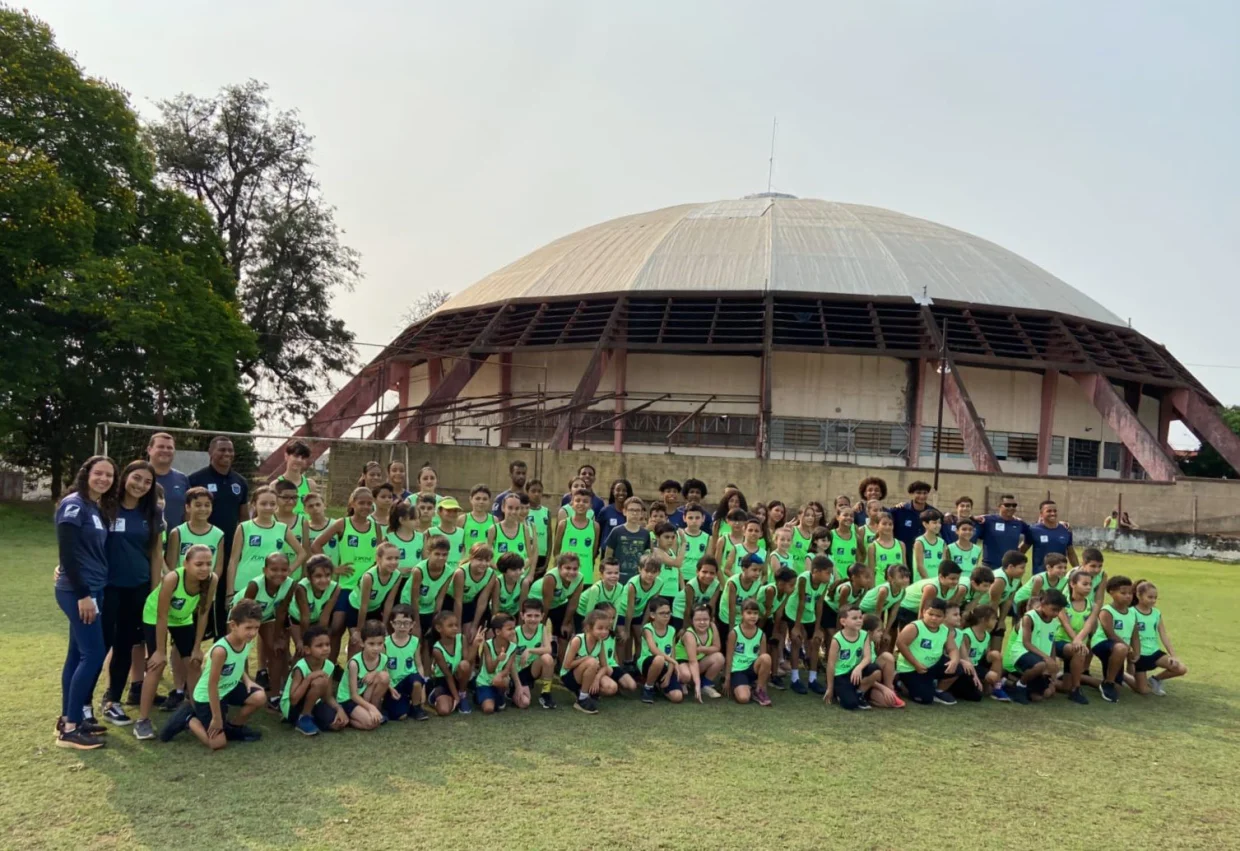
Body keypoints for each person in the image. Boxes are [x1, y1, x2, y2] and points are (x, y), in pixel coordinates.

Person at [54, 455, 118, 750]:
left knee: (77, 654)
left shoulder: (94, 506)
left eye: (109, 475)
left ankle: (70, 718)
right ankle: (70, 729)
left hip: (94, 588)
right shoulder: (74, 504)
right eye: (98, 473)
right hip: (80, 591)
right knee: (93, 654)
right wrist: (83, 594)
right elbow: (66, 552)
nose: (104, 479)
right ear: (86, 474)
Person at [100, 460, 163, 727]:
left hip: (138, 588)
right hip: (107, 587)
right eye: (137, 478)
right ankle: (81, 705)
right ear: (125, 477)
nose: (140, 485)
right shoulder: (105, 507)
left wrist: (155, 591)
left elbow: (156, 554)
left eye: (147, 482)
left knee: (125, 644)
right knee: (99, 646)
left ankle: (112, 700)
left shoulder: (153, 512)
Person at [133, 544, 217, 740]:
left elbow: (203, 613)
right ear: (186, 564)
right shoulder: (173, 578)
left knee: (194, 663)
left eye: (208, 563)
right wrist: (159, 651)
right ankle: (142, 721)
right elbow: (162, 615)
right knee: (156, 664)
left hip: (182, 618)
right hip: (155, 616)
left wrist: (197, 647)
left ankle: (198, 711)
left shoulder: (211, 579)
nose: (204, 568)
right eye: (199, 564)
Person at [161, 598, 266, 749]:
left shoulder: (246, 640)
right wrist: (216, 718)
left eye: (256, 628)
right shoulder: (220, 651)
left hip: (228, 688)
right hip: (208, 696)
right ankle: (188, 718)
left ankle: (233, 727)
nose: (253, 633)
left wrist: (247, 680)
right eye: (248, 628)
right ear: (233, 625)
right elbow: (212, 684)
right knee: (217, 744)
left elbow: (238, 661)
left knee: (260, 697)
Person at [188, 436, 249, 632]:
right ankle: (194, 631)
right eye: (222, 450)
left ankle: (221, 634)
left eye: (230, 450)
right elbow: (187, 514)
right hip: (203, 547)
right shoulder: (196, 479)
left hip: (230, 548)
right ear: (210, 452)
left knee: (223, 591)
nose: (227, 454)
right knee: (199, 589)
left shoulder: (240, 482)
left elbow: (244, 519)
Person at [241, 552, 294, 709]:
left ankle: (275, 695)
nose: (279, 573)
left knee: (277, 650)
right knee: (238, 651)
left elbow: (281, 611)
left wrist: (277, 638)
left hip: (266, 616)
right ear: (265, 570)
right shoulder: (255, 585)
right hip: (242, 618)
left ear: (289, 570)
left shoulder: (290, 584)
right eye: (274, 569)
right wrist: (249, 632)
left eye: (283, 570)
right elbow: (244, 611)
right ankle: (238, 686)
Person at [281, 624, 348, 736]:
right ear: (307, 650)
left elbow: (328, 696)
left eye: (327, 644)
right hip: (292, 707)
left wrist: (339, 709)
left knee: (336, 724)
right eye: (319, 646)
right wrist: (309, 677)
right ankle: (304, 718)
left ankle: (310, 718)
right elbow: (293, 699)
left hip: (313, 703)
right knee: (320, 681)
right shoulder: (301, 666)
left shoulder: (330, 666)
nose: (325, 648)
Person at [1003, 589, 1067, 704]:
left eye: (1059, 610)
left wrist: (1053, 662)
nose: (1056, 614)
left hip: (1039, 659)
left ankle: (1010, 684)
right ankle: (1019, 686)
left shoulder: (1054, 622)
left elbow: (1052, 643)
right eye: (1054, 609)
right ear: (1043, 604)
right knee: (1040, 665)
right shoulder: (1029, 617)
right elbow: (1026, 643)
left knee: (1045, 694)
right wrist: (1046, 658)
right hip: (1021, 653)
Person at [894, 598, 959, 706]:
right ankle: (900, 683)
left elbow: (952, 649)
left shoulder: (945, 630)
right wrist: (916, 664)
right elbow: (901, 644)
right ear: (924, 612)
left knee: (958, 668)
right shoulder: (914, 627)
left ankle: (938, 691)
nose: (934, 618)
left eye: (938, 616)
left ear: (944, 617)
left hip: (933, 665)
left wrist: (954, 660)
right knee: (925, 699)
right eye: (931, 614)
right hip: (912, 668)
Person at [825, 605, 890, 710]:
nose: (859, 621)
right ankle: (839, 693)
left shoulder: (864, 635)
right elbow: (831, 665)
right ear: (843, 622)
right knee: (851, 704)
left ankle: (860, 694)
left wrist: (858, 668)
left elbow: (867, 657)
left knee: (875, 669)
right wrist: (830, 688)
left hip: (856, 673)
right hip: (841, 676)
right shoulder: (837, 639)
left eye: (860, 617)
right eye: (854, 618)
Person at [1130, 579, 1187, 695]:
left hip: (1155, 653)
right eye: (1150, 597)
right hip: (1139, 656)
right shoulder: (1131, 612)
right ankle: (1123, 676)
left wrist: (1173, 656)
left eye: (1155, 597)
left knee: (1181, 669)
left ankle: (1156, 679)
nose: (1153, 600)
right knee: (1144, 691)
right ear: (1139, 595)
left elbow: (1163, 635)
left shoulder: (1156, 613)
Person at [786, 556, 833, 695]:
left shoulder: (825, 582)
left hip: (810, 614)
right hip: (794, 613)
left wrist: (817, 628)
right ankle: (795, 679)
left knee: (816, 641)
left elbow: (819, 604)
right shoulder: (803, 579)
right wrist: (796, 627)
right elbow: (801, 602)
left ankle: (812, 679)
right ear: (816, 571)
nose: (830, 576)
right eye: (827, 572)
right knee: (796, 641)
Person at [337, 619, 392, 729]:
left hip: (365, 695)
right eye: (371, 644)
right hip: (349, 699)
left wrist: (376, 673)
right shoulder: (354, 663)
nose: (376, 648)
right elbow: (353, 695)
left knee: (384, 676)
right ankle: (350, 718)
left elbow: (384, 677)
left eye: (380, 643)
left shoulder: (383, 658)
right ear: (362, 643)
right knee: (371, 723)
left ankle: (373, 710)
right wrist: (371, 708)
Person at [561, 610, 619, 714]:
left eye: (607, 628)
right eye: (600, 628)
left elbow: (605, 666)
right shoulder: (578, 640)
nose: (604, 632)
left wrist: (596, 679)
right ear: (588, 627)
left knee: (612, 687)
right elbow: (567, 665)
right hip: (569, 677)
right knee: (592, 662)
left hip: (588, 673)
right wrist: (586, 658)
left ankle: (586, 691)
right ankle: (582, 699)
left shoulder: (600, 642)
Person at [1092, 575, 1137, 703]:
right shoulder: (1106, 611)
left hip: (1119, 649)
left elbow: (1135, 635)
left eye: (1130, 593)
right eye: (1123, 593)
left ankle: (1081, 678)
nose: (1128, 596)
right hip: (1102, 644)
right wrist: (1128, 648)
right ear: (1111, 593)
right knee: (1121, 648)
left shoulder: (1133, 612)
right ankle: (1109, 682)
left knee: (1119, 688)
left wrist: (1136, 653)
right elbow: (1110, 634)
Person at [950, 605, 1008, 702]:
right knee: (979, 692)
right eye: (993, 618)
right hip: (968, 667)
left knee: (996, 654)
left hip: (977, 664)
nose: (996, 621)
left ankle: (996, 687)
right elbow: (964, 657)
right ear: (983, 620)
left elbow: (984, 654)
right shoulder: (967, 634)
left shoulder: (987, 635)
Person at [430, 611, 481, 716]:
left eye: (456, 625)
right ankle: (436, 695)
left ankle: (462, 695)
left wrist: (475, 645)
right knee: (444, 711)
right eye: (450, 626)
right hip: (444, 680)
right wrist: (455, 697)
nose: (455, 628)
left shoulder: (461, 638)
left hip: (458, 677)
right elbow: (448, 675)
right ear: (439, 628)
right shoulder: (437, 649)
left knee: (464, 665)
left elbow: (467, 661)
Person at [287, 555, 341, 655]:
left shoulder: (335, 588)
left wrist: (320, 636)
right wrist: (304, 640)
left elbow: (325, 617)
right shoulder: (301, 588)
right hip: (296, 620)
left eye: (327, 575)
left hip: (315, 618)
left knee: (317, 649)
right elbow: (305, 618)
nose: (324, 580)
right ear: (309, 577)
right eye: (318, 576)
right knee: (302, 650)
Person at [723, 599, 772, 706]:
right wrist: (727, 678)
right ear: (742, 614)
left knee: (766, 657)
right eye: (749, 613)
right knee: (743, 698)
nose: (753, 616)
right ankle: (746, 686)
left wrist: (764, 685)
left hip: (753, 668)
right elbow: (729, 657)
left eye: (755, 613)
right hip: (738, 670)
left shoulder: (761, 634)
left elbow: (763, 660)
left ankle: (758, 690)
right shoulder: (734, 633)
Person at [384, 604, 428, 721]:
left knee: (416, 681)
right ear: (392, 623)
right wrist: (389, 687)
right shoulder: (385, 642)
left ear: (412, 624)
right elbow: (383, 667)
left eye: (406, 623)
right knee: (401, 716)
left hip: (410, 680)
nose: (402, 626)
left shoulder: (415, 641)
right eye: (398, 623)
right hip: (394, 685)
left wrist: (423, 689)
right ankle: (402, 703)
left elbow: (419, 665)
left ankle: (416, 707)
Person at [448, 542, 497, 646]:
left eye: (487, 560)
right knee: (455, 635)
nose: (483, 564)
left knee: (469, 636)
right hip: (451, 602)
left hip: (468, 603)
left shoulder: (491, 574)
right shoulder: (461, 573)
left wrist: (474, 626)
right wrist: (458, 626)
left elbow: (482, 601)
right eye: (479, 560)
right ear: (471, 558)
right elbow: (458, 601)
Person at [619, 556, 664, 666]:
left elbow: (650, 605)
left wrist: (644, 626)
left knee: (641, 637)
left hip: (638, 612)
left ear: (659, 572)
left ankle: (638, 663)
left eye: (654, 572)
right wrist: (627, 629)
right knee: (624, 638)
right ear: (639, 569)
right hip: (622, 612)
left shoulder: (659, 583)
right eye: (647, 571)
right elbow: (630, 608)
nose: (650, 575)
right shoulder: (633, 584)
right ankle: (622, 664)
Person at [513, 599, 557, 710]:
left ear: (542, 616)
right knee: (524, 703)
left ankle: (546, 693)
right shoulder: (515, 633)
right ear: (522, 616)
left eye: (537, 616)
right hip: (516, 672)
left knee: (547, 658)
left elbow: (548, 649)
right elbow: (510, 662)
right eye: (529, 615)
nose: (533, 619)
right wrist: (517, 684)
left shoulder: (542, 628)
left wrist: (529, 650)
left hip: (531, 670)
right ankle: (512, 689)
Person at [676, 605, 725, 700]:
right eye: (698, 619)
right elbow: (692, 661)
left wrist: (701, 649)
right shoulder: (689, 634)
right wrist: (696, 685)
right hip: (683, 661)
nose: (702, 622)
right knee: (686, 675)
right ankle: (683, 682)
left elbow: (717, 647)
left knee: (719, 657)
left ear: (710, 619)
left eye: (705, 619)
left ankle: (705, 685)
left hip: (698, 660)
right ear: (692, 621)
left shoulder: (712, 626)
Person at [973, 494, 1031, 569]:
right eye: (1007, 505)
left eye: (1014, 505)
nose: (1011, 508)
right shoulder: (987, 520)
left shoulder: (1019, 523)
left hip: (1010, 567)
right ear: (999, 506)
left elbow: (1030, 537)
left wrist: (1019, 552)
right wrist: (972, 517)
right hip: (990, 567)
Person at [476, 613, 518, 714]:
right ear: (498, 631)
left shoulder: (513, 647)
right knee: (488, 709)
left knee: (503, 680)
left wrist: (500, 675)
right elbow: (490, 669)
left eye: (514, 628)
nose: (513, 631)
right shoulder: (487, 645)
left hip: (498, 681)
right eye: (509, 629)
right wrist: (498, 659)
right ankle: (481, 696)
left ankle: (500, 696)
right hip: (485, 682)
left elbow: (507, 669)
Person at [1022, 500, 1078, 575]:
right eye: (1049, 511)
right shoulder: (1033, 530)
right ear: (1041, 514)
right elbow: (1022, 550)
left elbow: (1071, 553)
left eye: (1055, 511)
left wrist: (1078, 569)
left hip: (1060, 575)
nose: (1053, 513)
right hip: (1040, 575)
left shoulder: (1066, 530)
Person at [146, 432, 189, 529]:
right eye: (160, 447)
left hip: (175, 537)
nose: (165, 450)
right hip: (144, 536)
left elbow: (188, 512)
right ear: (149, 450)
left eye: (169, 448)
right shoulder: (138, 477)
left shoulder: (182, 479)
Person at [890, 481, 936, 555]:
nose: (922, 496)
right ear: (911, 494)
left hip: (925, 554)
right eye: (918, 493)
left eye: (925, 493)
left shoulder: (933, 513)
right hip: (902, 553)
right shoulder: (899, 511)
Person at [275, 440, 315, 516]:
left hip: (305, 524)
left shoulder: (310, 484)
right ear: (286, 456)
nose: (299, 460)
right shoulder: (275, 485)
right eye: (296, 456)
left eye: (303, 457)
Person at [865, 513, 904, 586]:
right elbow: (871, 571)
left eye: (890, 524)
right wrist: (872, 588)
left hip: (898, 585)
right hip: (880, 585)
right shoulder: (873, 547)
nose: (887, 527)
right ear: (877, 526)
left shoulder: (901, 544)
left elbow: (904, 567)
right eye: (884, 524)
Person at [911, 508, 946, 581]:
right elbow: (920, 566)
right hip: (923, 582)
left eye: (939, 522)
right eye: (934, 523)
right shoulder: (920, 542)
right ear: (925, 524)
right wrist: (929, 582)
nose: (938, 525)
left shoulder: (942, 542)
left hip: (937, 582)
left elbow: (943, 565)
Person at [525, 479, 551, 570]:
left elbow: (549, 538)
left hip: (542, 556)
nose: (536, 494)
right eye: (533, 491)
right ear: (527, 492)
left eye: (539, 491)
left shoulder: (546, 512)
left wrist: (547, 561)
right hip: (527, 555)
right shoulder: (524, 511)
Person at [463, 484, 496, 551]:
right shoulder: (463, 519)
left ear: (489, 501)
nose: (481, 502)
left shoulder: (495, 520)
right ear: (471, 499)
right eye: (477, 498)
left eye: (485, 499)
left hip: (487, 557)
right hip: (468, 557)